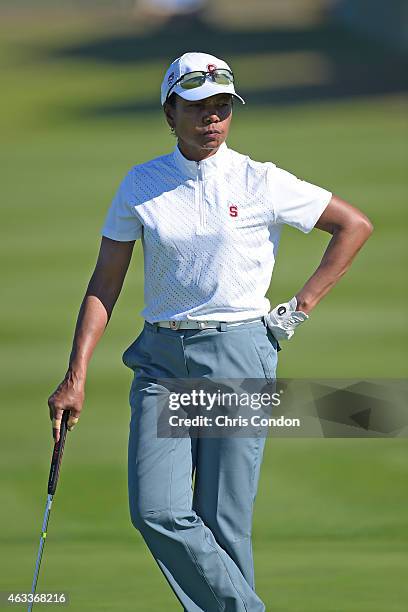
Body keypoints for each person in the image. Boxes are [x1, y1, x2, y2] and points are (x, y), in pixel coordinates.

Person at [48, 51, 373, 611]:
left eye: (222, 107)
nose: (212, 119)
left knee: (224, 524)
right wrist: (75, 375)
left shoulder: (259, 180)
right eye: (198, 107)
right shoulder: (141, 184)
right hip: (160, 361)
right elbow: (105, 280)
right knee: (156, 510)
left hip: (238, 354)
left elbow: (353, 225)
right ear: (170, 112)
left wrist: (296, 310)